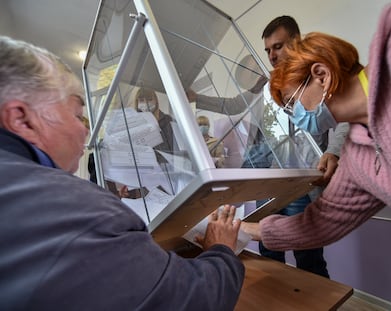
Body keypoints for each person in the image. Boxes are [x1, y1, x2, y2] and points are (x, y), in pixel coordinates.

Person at [0, 35, 244, 310]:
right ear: (21, 119)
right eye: (77, 114)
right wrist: (221, 251)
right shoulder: (78, 209)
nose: (85, 129)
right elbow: (193, 297)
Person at [241, 3, 391, 253]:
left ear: (321, 75)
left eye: (291, 103)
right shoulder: (358, 161)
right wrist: (244, 228)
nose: (294, 114)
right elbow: (321, 224)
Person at [189, 15, 348, 278]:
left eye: (278, 46)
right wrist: (197, 98)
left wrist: (333, 151)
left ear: (296, 41)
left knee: (307, 255)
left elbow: (344, 116)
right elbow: (235, 105)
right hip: (272, 181)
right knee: (269, 253)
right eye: (268, 50)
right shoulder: (266, 85)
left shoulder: (318, 77)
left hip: (303, 182)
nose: (272, 55)